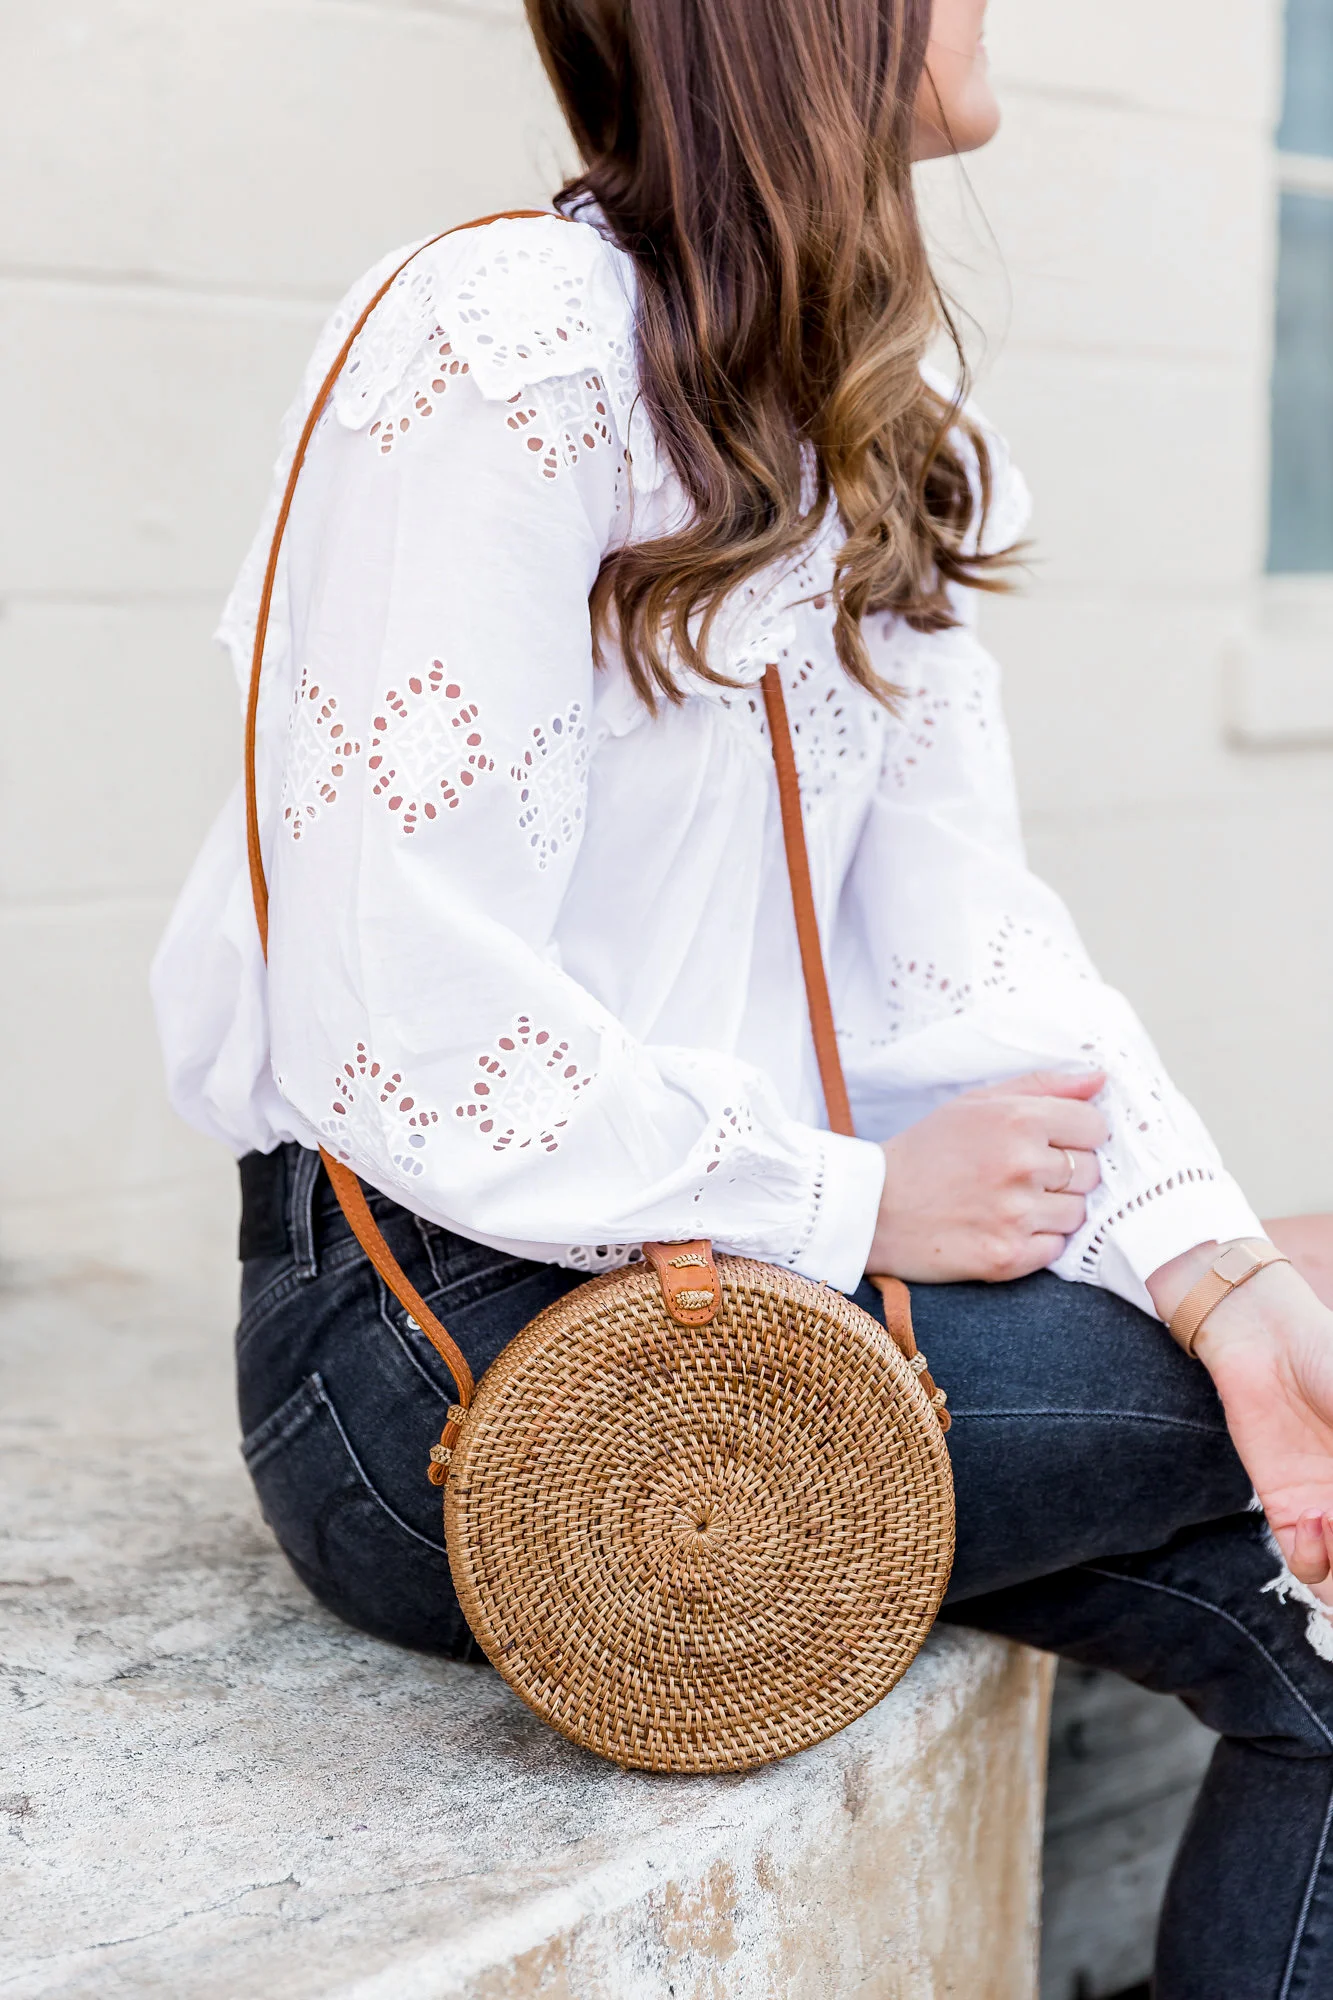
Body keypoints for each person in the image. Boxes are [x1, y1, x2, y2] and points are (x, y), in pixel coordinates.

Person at [154, 0, 1333, 1989]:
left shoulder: (883, 419)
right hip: (439, 1348)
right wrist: (852, 1199)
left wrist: (1219, 1277)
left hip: (730, 1284)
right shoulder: (504, 341)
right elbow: (398, 1008)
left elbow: (981, 953)